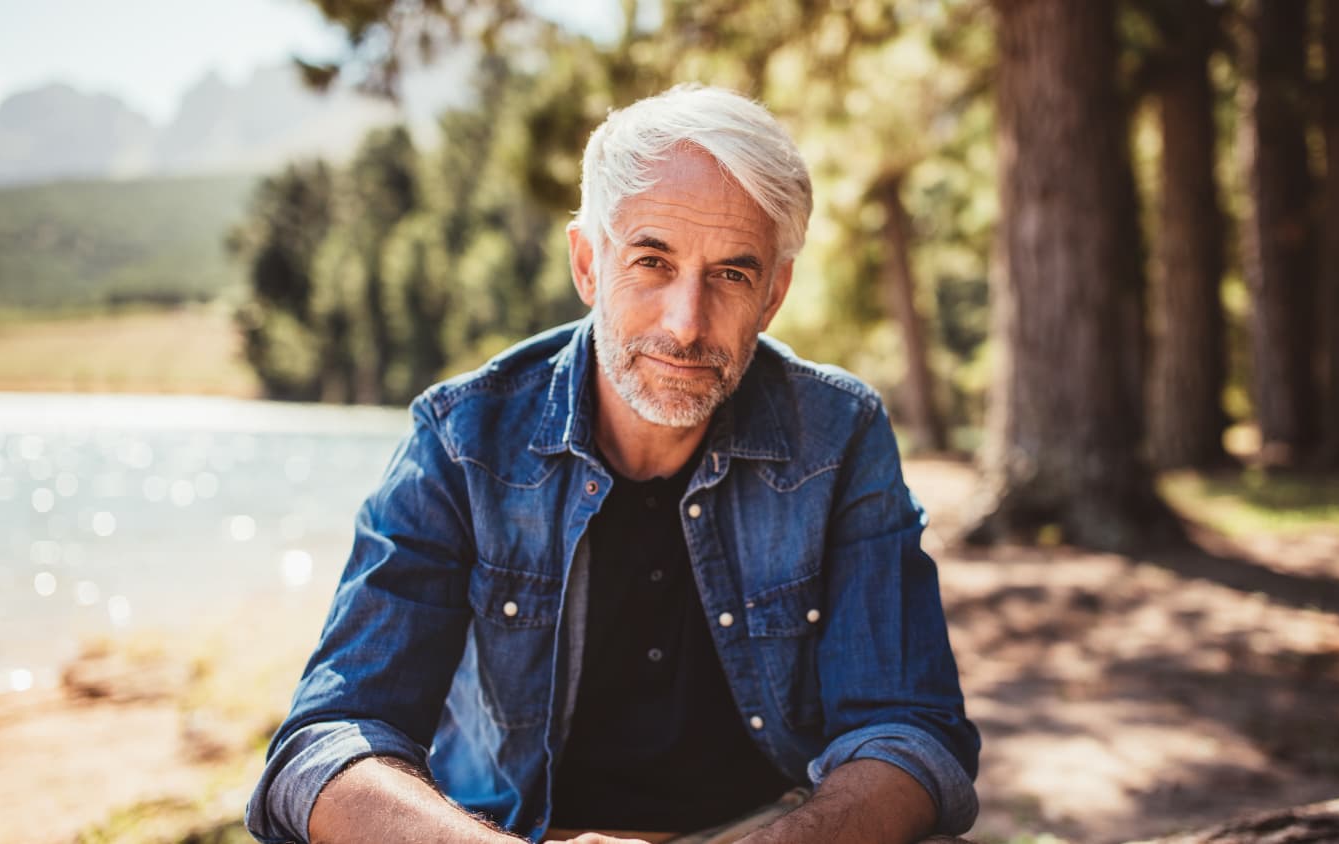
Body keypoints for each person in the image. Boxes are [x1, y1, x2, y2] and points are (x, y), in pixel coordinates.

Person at [245, 84, 980, 844]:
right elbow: (329, 742)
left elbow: (910, 729)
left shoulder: (839, 434)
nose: (686, 324)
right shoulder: (462, 439)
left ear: (774, 293)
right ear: (589, 264)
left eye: (732, 273)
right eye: (652, 261)